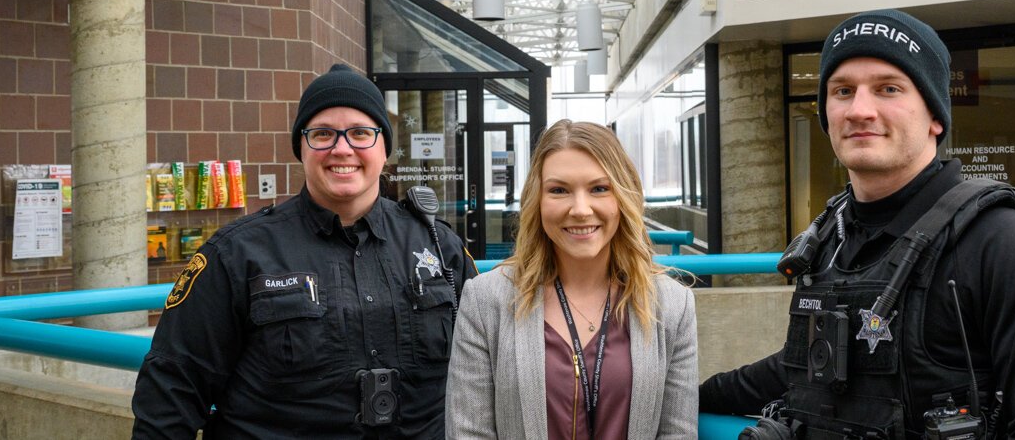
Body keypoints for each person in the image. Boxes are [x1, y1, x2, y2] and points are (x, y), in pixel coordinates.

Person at [699, 10, 1015, 438]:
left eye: (887, 89)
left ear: (935, 117)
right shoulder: (830, 239)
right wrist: (684, 396)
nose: (859, 110)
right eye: (842, 91)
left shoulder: (1007, 243)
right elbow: (796, 368)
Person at [131, 63, 477, 438]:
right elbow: (170, 393)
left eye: (361, 133)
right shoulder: (236, 254)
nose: (342, 149)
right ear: (301, 146)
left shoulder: (439, 247)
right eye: (323, 134)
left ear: (384, 147)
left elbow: (484, 374)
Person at [446, 120, 699, 439]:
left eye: (599, 188)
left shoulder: (672, 305)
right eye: (559, 190)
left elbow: (678, 432)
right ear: (536, 201)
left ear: (623, 198)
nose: (580, 209)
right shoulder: (485, 301)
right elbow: (468, 431)